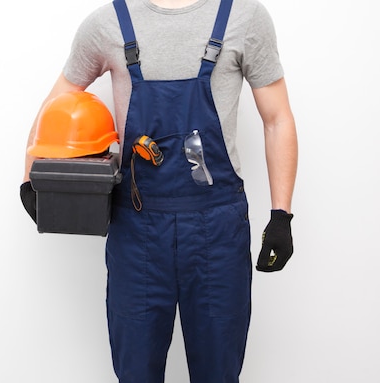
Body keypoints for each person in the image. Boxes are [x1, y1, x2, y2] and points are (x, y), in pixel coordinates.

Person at [20, 0, 298, 381]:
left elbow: (277, 118)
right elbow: (57, 105)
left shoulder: (244, 17)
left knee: (219, 373)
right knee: (136, 372)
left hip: (217, 233)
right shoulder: (106, 24)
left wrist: (281, 215)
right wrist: (31, 179)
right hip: (137, 232)